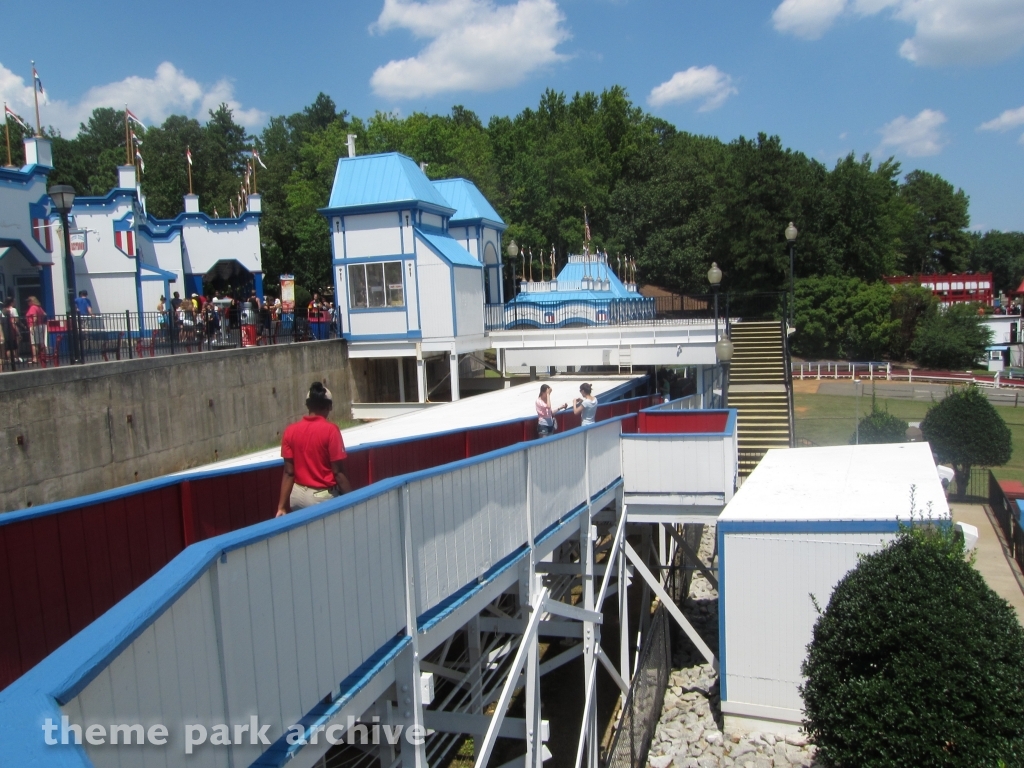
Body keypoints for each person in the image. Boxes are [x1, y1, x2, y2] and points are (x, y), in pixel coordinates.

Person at [277, 382, 352, 515]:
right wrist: (353, 500)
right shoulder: (330, 430)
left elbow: (289, 472)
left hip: (296, 495)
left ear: (308, 405)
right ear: (329, 406)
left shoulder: (290, 431)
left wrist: (281, 507)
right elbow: (338, 472)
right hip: (321, 496)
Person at [25, 296, 47, 364]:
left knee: (34, 343)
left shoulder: (33, 307)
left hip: (34, 326)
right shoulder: (39, 307)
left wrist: (33, 326)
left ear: (31, 301)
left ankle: (35, 358)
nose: (27, 303)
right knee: (41, 342)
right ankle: (43, 357)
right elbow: (44, 314)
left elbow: (35, 317)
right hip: (40, 325)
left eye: (28, 301)